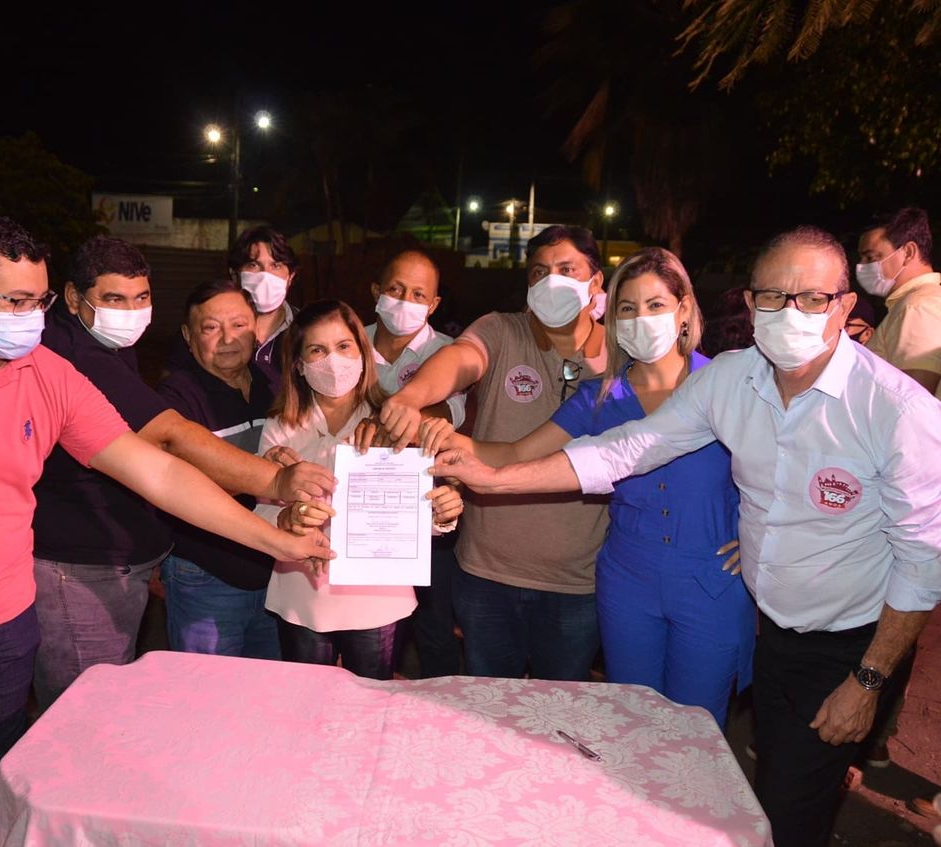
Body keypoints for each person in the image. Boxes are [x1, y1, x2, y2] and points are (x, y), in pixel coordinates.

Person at [431, 226, 941, 847]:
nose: (791, 312)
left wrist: (868, 680)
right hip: (766, 624)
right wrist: (491, 478)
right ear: (751, 305)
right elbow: (631, 448)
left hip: (845, 638)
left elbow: (921, 562)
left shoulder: (896, 411)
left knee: (774, 799)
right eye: (774, 296)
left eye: (812, 298)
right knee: (721, 760)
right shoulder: (730, 380)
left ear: (844, 306)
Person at [0, 213, 332, 846]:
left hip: (6, 617)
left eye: (42, 300)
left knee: (4, 763)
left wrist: (277, 541)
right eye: (18, 301)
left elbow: (157, 472)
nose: (34, 317)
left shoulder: (44, 375)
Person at [436, 248, 752, 725]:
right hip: (628, 580)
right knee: (627, 719)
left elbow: (780, 471)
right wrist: (446, 443)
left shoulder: (725, 385)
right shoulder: (600, 396)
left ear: (684, 309)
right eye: (627, 308)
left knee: (696, 726)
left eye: (656, 305)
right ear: (613, 317)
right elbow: (520, 453)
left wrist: (764, 538)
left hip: (712, 578)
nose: (641, 318)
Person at [32, 236, 334, 709]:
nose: (130, 311)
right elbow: (170, 446)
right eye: (114, 299)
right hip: (85, 568)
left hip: (129, 561)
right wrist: (275, 483)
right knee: (89, 713)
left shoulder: (113, 346)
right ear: (73, 298)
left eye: (142, 297)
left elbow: (151, 467)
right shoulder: (77, 357)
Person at [377, 225, 609, 682]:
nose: (551, 282)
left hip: (577, 583)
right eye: (539, 272)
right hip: (487, 574)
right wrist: (411, 397)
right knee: (486, 706)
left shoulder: (622, 353)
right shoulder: (502, 330)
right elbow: (460, 361)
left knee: (559, 715)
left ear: (595, 282)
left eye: (567, 270)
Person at [256, 300, 463, 679]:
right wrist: (288, 517)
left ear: (364, 355)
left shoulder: (394, 422)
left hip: (376, 597)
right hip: (304, 592)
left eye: (343, 346)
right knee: (305, 703)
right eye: (317, 350)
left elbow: (413, 516)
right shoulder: (280, 429)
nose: (332, 360)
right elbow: (260, 513)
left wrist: (441, 513)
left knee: (371, 707)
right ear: (299, 365)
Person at [156, 280, 280, 658]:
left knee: (270, 694)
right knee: (206, 699)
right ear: (188, 336)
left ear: (256, 328)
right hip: (207, 577)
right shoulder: (174, 400)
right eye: (211, 327)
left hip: (275, 576)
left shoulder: (274, 387)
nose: (227, 338)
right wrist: (269, 477)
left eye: (239, 325)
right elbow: (180, 490)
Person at [363, 249, 466, 677]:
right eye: (396, 289)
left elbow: (446, 414)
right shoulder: (348, 344)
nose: (406, 301)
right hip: (359, 518)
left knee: (434, 630)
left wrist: (388, 420)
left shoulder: (451, 356)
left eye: (419, 294)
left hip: (428, 518)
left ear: (435, 304)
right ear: (376, 292)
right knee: (366, 633)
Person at [858, 207, 941, 392]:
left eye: (871, 257)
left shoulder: (917, 306)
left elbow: (915, 400)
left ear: (909, 252)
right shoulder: (922, 301)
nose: (862, 266)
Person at [231, 225, 299, 394]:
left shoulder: (307, 329)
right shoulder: (211, 329)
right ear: (234, 275)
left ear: (290, 277)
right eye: (254, 265)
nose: (265, 276)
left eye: (275, 266)